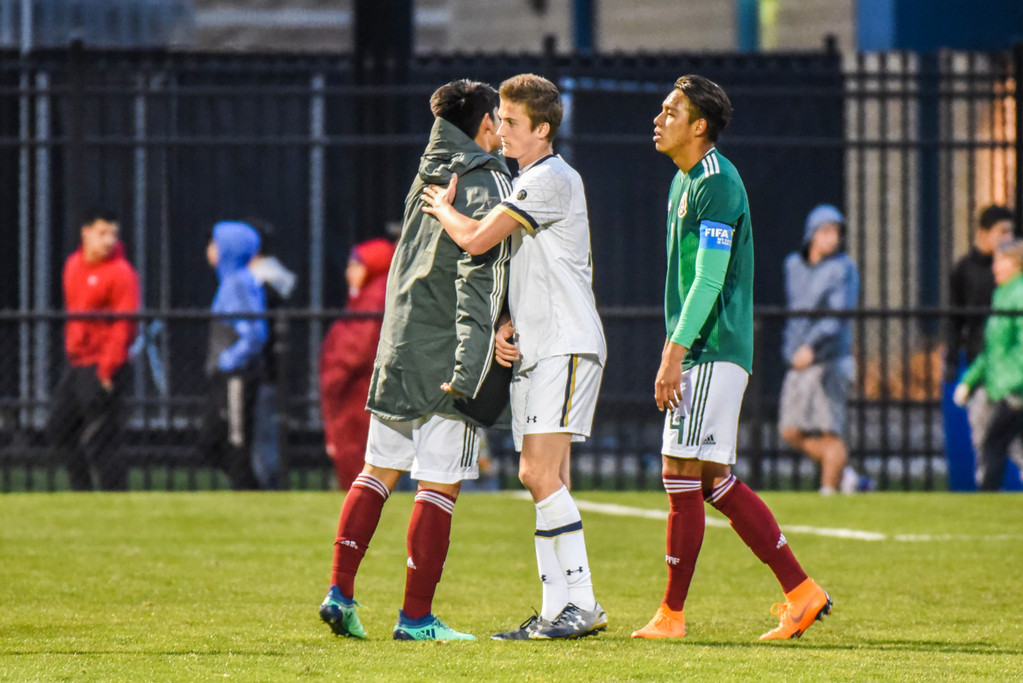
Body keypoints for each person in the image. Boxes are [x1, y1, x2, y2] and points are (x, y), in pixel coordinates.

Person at [631, 75, 831, 641]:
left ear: (699, 126)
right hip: (705, 347)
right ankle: (800, 591)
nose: (659, 117)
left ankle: (672, 615)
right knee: (712, 478)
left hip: (711, 347)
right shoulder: (684, 182)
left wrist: (675, 351)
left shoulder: (716, 182)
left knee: (679, 472)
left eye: (671, 110)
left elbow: (710, 278)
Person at [318, 79, 512, 642]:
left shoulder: (427, 170)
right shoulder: (491, 175)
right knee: (439, 484)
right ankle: (416, 618)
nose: (502, 129)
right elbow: (485, 258)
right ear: (482, 126)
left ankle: (340, 592)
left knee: (376, 471)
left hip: (399, 343)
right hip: (450, 347)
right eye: (496, 120)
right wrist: (495, 330)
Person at [422, 73, 608, 640]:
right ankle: (557, 610)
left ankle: (584, 604)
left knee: (535, 472)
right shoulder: (531, 178)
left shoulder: (550, 177)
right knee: (547, 478)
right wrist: (507, 322)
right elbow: (526, 267)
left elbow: (478, 239)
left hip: (565, 342)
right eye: (500, 119)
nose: (500, 130)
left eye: (511, 122)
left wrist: (441, 207)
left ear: (542, 129)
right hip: (540, 344)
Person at [48, 209, 140, 491]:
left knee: (103, 439)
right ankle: (82, 491)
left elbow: (124, 326)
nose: (108, 240)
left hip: (103, 365)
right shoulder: (73, 265)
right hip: (79, 364)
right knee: (59, 428)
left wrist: (108, 368)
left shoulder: (121, 273)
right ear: (85, 233)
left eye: (113, 234)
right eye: (102, 233)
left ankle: (115, 497)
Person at [778, 204, 862, 495]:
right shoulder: (793, 265)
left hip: (829, 358)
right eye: (826, 231)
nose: (832, 238)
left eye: (836, 232)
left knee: (829, 429)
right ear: (812, 234)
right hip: (798, 361)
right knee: (790, 429)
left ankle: (829, 491)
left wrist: (812, 347)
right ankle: (847, 475)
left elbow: (837, 316)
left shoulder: (843, 268)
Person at [945, 205, 1020, 486]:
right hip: (984, 365)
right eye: (1003, 231)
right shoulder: (966, 270)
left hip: (1010, 377)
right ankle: (986, 485)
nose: (1008, 237)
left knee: (998, 440)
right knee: (985, 436)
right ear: (983, 233)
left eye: (1011, 231)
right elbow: (956, 320)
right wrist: (955, 363)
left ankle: (988, 487)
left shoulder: (1014, 288)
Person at [319, 236, 395, 490]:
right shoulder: (373, 295)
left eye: (356, 265)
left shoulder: (375, 298)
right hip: (362, 395)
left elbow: (353, 351)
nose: (348, 272)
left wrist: (331, 377)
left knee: (361, 474)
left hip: (359, 398)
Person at [197, 221, 267, 491]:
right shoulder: (232, 281)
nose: (210, 250)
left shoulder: (238, 283)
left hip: (235, 376)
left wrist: (229, 359)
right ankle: (248, 487)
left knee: (235, 440)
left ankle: (249, 490)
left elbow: (254, 333)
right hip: (225, 374)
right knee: (215, 439)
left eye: (215, 244)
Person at [247, 220, 298, 490]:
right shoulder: (273, 277)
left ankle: (269, 485)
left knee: (264, 436)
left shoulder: (263, 281)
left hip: (264, 371)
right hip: (271, 370)